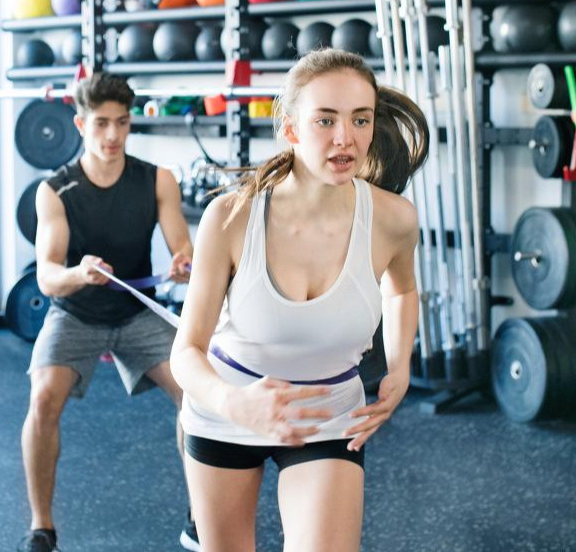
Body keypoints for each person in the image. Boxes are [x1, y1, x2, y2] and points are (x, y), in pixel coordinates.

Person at [169, 48, 428, 551]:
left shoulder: (394, 219)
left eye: (360, 119)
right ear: (290, 129)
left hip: (330, 412)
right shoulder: (230, 216)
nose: (344, 138)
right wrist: (236, 404)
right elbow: (184, 354)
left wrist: (400, 365)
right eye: (325, 120)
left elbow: (402, 289)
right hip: (228, 406)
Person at [19, 72, 198, 552]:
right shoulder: (54, 191)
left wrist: (184, 262)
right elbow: (47, 276)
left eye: (122, 122)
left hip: (137, 313)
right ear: (80, 124)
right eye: (101, 124)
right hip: (75, 313)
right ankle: (42, 527)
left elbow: (181, 244)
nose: (113, 135)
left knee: (197, 395)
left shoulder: (157, 179)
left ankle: (203, 512)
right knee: (42, 400)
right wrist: (79, 273)